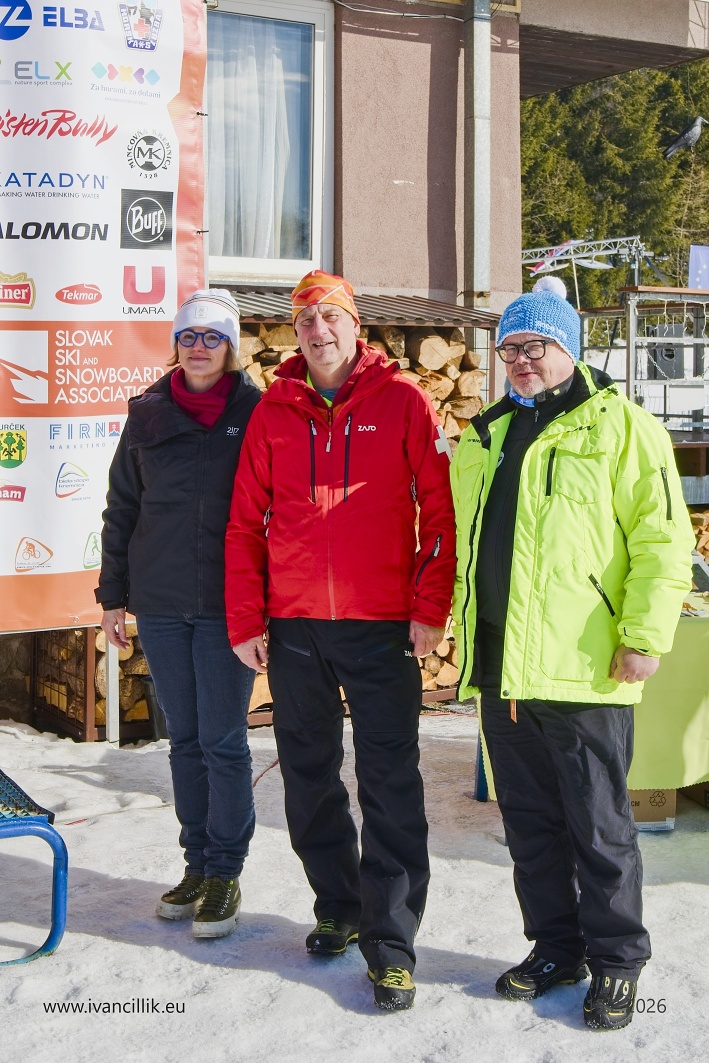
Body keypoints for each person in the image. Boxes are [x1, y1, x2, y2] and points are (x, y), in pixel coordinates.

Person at [451, 276, 695, 1030]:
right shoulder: (485, 436)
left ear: (570, 348)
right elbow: (467, 549)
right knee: (530, 825)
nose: (521, 360)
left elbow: (662, 538)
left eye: (536, 345)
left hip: (586, 667)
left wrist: (643, 636)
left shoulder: (621, 426)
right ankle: (556, 947)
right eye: (509, 349)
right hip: (504, 666)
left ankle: (617, 963)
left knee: (598, 826)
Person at [224, 270, 455, 1010]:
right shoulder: (274, 410)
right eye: (305, 320)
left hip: (381, 623)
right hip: (295, 627)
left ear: (355, 324)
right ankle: (339, 904)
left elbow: (439, 513)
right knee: (308, 775)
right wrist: (246, 618)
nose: (318, 330)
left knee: (390, 781)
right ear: (295, 333)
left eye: (330, 316)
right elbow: (244, 521)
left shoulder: (404, 400)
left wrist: (429, 606)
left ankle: (392, 943)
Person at [96, 290, 261, 938]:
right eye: (188, 335)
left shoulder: (256, 412)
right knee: (185, 740)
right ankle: (196, 864)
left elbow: (278, 510)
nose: (199, 346)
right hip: (161, 601)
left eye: (212, 336)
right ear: (176, 343)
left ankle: (225, 872)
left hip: (228, 605)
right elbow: (121, 507)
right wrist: (113, 595)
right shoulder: (148, 412)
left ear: (231, 345)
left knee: (223, 740)